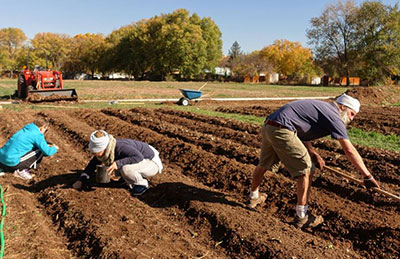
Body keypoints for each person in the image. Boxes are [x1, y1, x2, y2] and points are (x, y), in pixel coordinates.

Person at [247, 93, 380, 229]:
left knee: (263, 165)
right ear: (343, 106)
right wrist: (367, 176)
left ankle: (253, 197)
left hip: (270, 126)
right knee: (306, 169)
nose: (352, 119)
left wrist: (313, 153)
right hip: (283, 129)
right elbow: (349, 150)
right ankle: (302, 216)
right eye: (352, 114)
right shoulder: (334, 115)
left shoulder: (323, 108)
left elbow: (301, 131)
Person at [72, 130, 163, 196]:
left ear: (104, 148)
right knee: (120, 166)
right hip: (141, 161)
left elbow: (138, 157)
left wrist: (118, 163)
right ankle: (125, 180)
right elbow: (91, 166)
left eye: (96, 152)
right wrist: (80, 180)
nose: (94, 154)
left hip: (151, 162)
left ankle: (141, 184)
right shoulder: (105, 152)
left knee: (125, 168)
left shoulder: (120, 147)